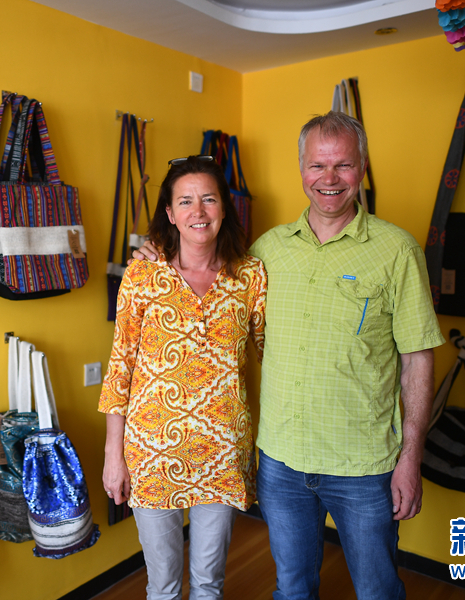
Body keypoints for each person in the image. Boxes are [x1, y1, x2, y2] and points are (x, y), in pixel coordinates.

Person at [134, 112, 445, 600]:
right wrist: (155, 254)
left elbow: (418, 360)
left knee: (378, 591)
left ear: (362, 168)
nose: (329, 178)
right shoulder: (266, 253)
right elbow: (204, 271)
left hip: (363, 465)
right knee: (293, 590)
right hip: (281, 463)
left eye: (343, 165)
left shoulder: (397, 250)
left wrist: (411, 455)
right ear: (301, 169)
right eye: (317, 165)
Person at [99, 156, 267, 600]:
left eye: (208, 199)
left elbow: (273, 353)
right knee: (164, 586)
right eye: (186, 201)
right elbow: (120, 366)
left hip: (222, 451)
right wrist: (113, 455)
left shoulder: (250, 276)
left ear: (224, 207)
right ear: (170, 214)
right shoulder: (142, 274)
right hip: (151, 452)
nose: (198, 211)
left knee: (210, 583)